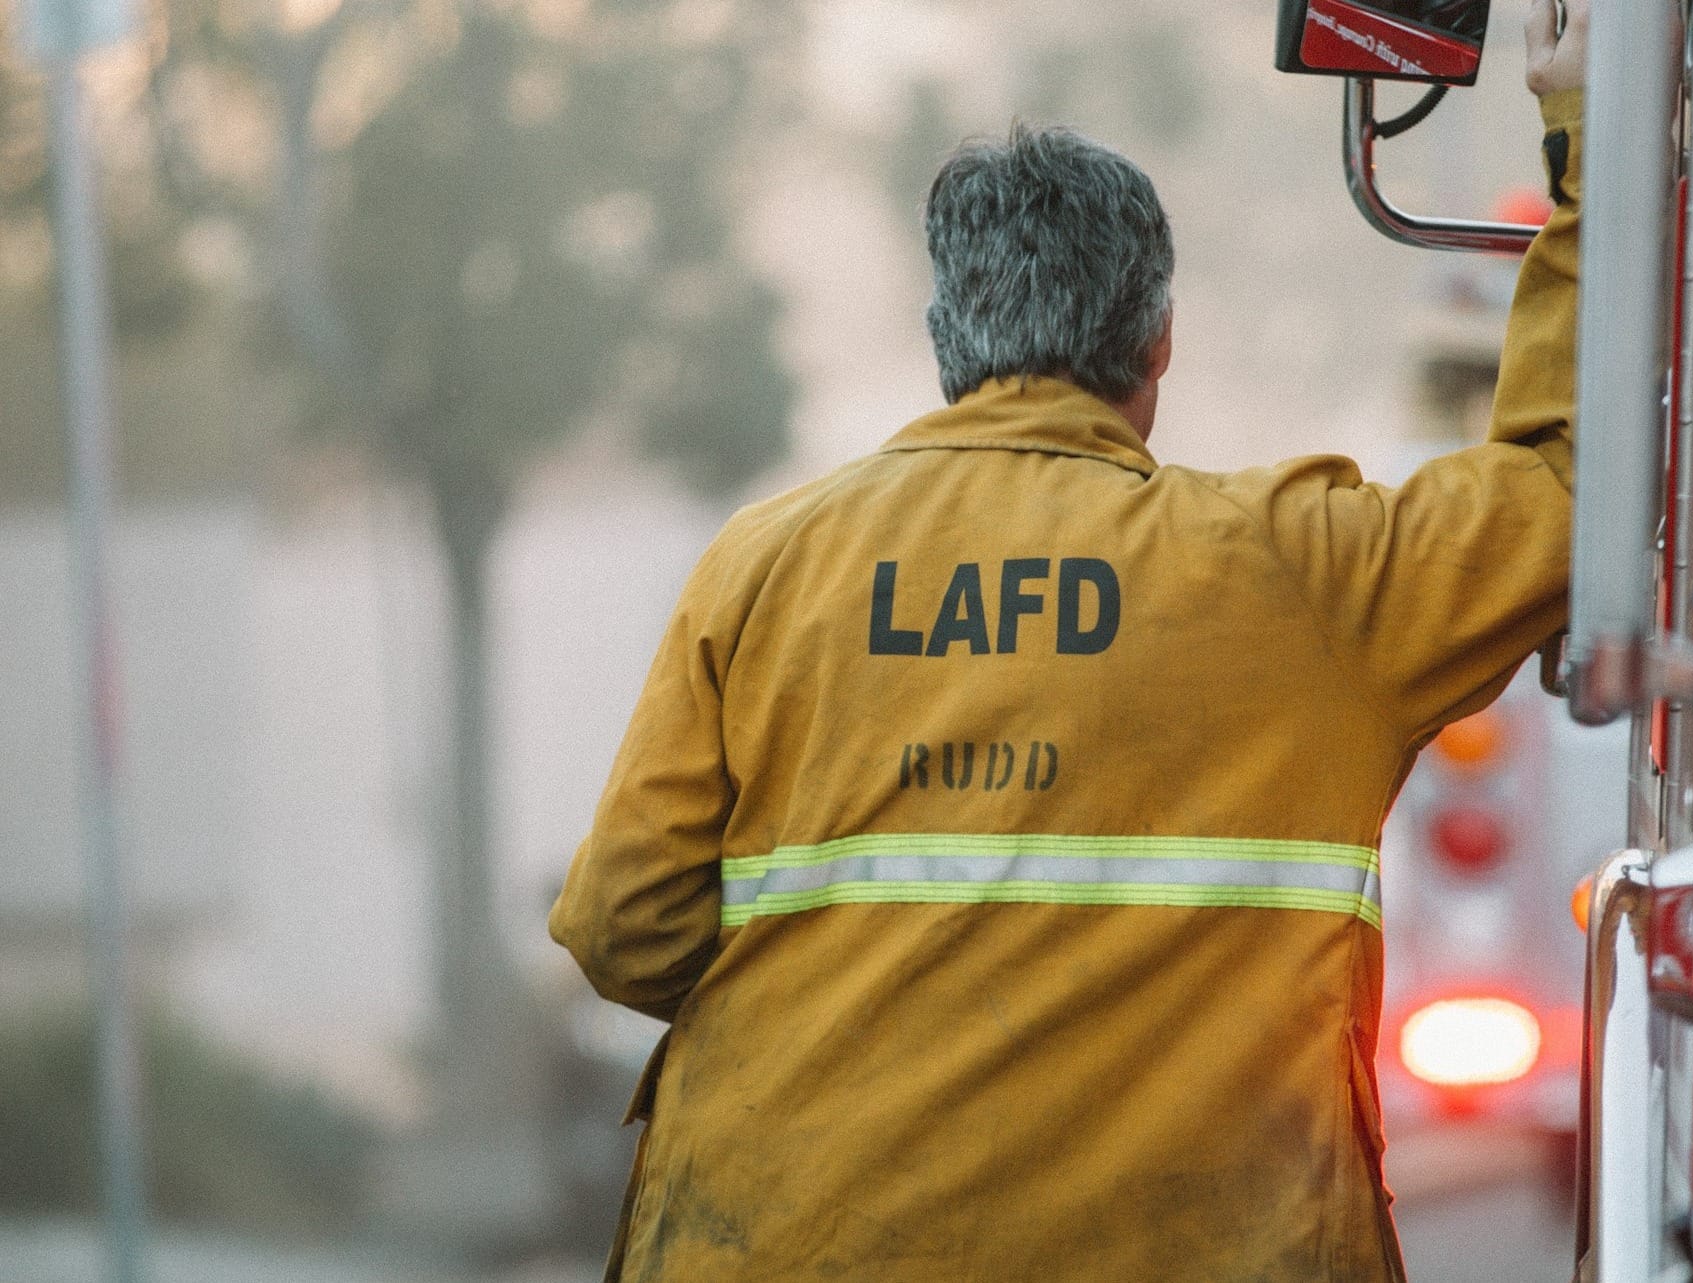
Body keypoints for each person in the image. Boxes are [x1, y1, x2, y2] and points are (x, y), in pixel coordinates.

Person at [551, 2, 1587, 1277]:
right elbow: (1564, 489)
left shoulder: (763, 571)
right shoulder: (1302, 573)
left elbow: (625, 928)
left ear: (947, 342)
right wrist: (1584, 139)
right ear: (1157, 340)